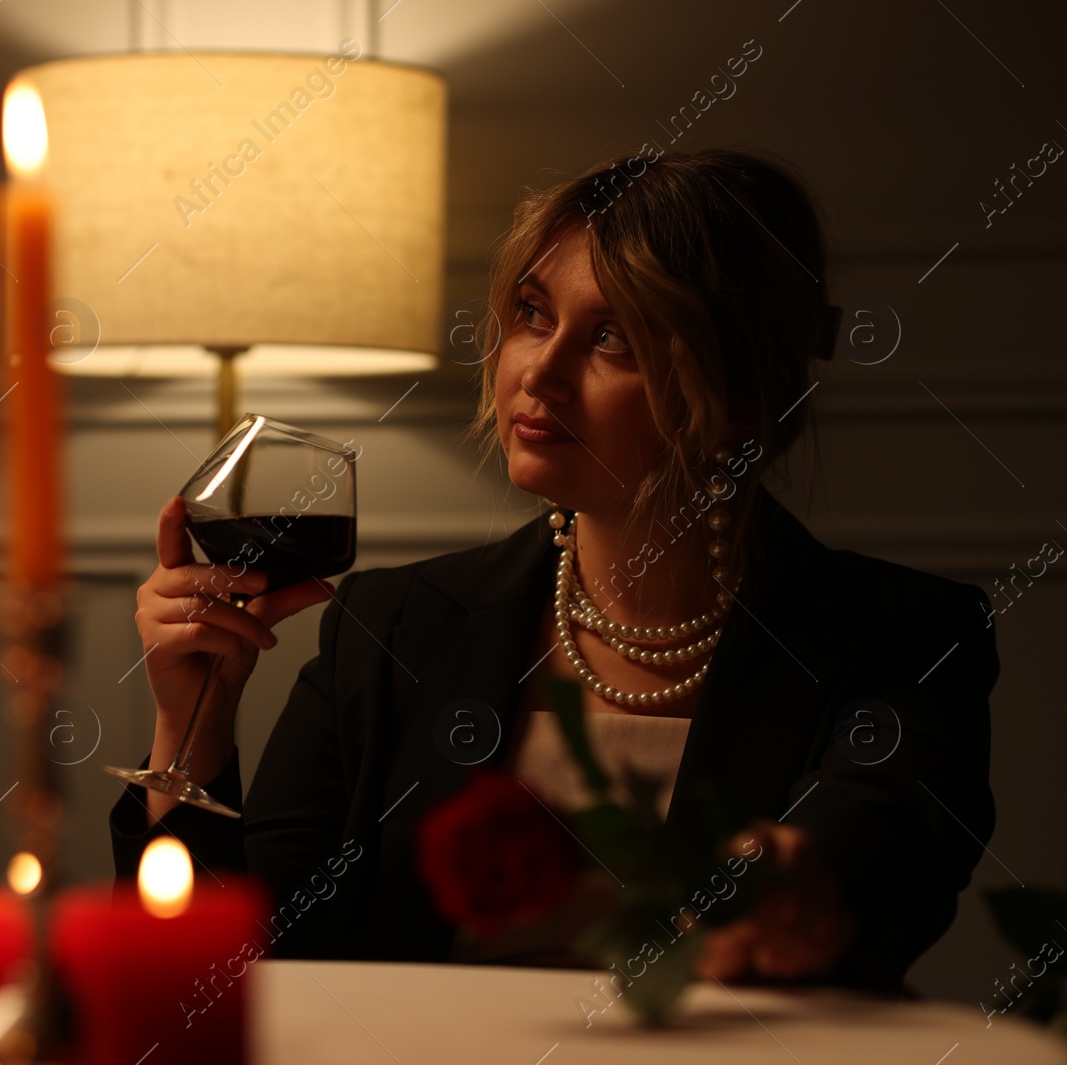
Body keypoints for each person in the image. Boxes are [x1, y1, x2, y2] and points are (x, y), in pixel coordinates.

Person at [108, 148, 999, 993]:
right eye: (534, 313)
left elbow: (883, 866)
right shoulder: (391, 625)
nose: (540, 369)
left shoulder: (903, 637)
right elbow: (248, 967)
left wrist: (803, 889)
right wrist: (191, 727)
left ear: (738, 404)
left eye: (614, 338)